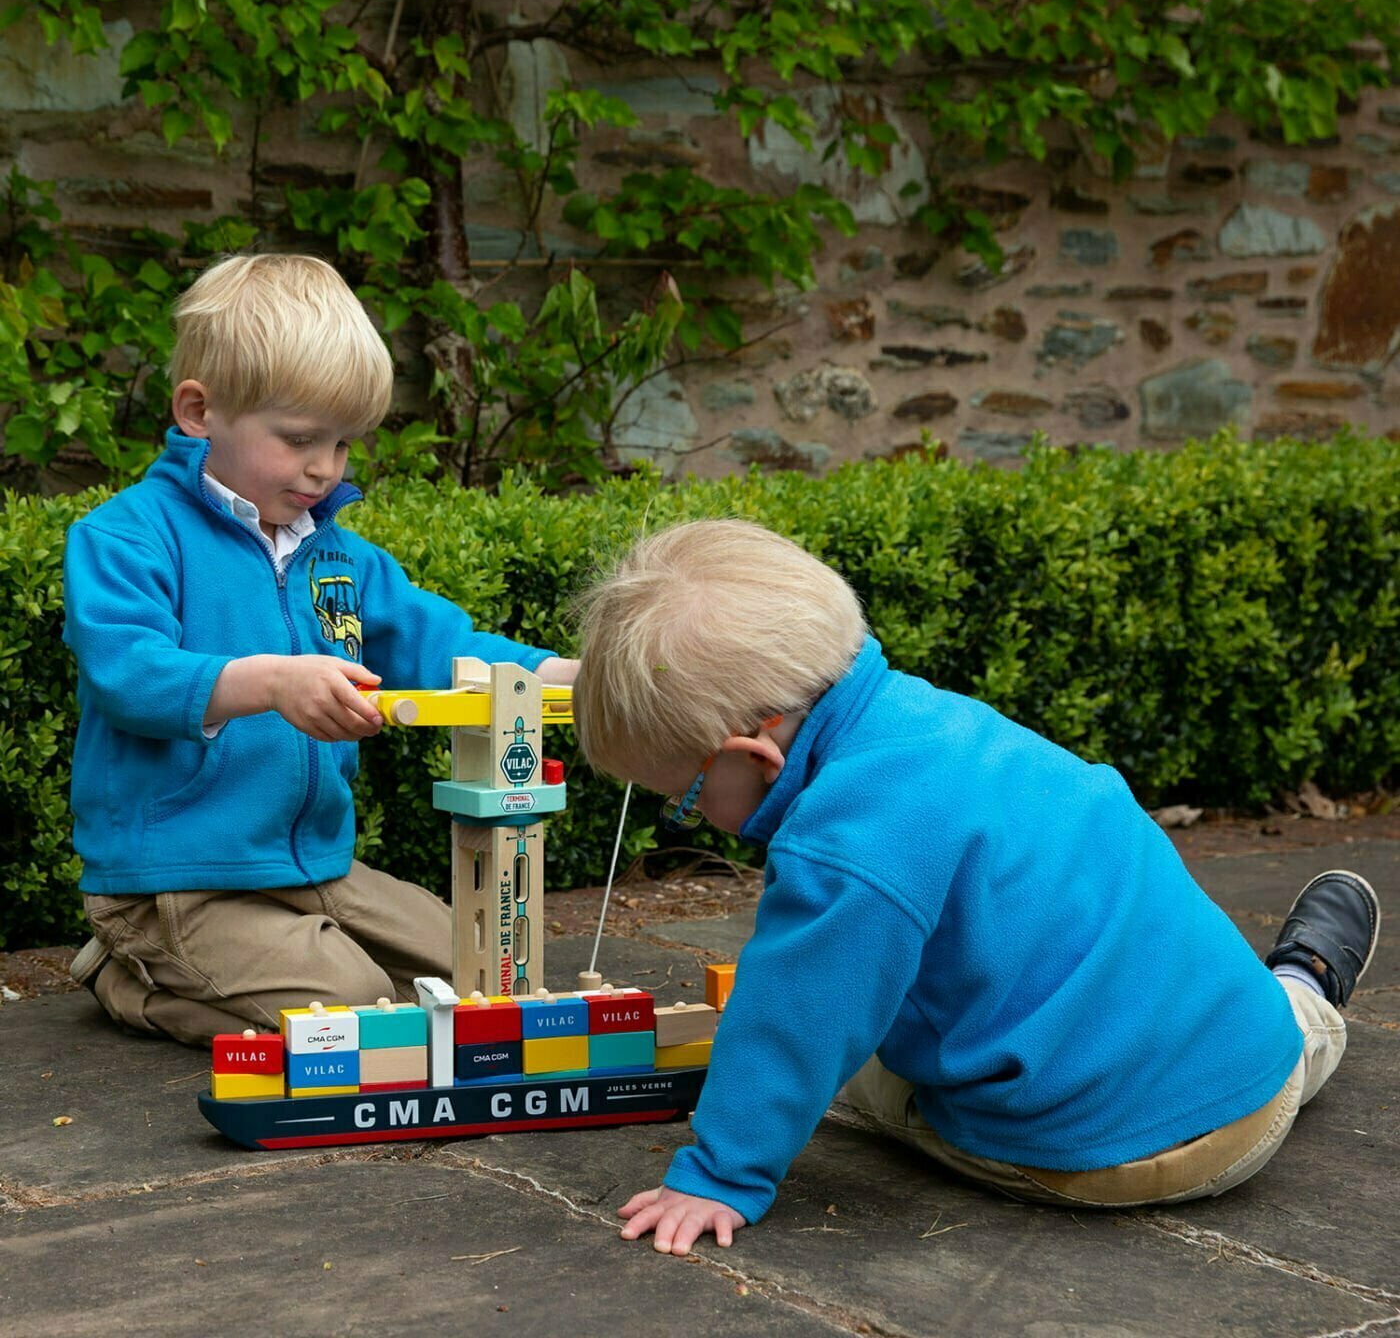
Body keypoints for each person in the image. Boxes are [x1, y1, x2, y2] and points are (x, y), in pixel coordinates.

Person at [570, 518, 1380, 1256]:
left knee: (862, 1074)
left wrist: (719, 1174)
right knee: (1282, 1019)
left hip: (1107, 1154)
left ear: (756, 755)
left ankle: (1294, 995)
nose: (695, 820)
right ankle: (1305, 980)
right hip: (1252, 1058)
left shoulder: (844, 845)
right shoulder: (938, 721)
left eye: (684, 800)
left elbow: (796, 1019)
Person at [63, 253, 577, 1046]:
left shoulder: (336, 553)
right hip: (177, 881)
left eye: (342, 444)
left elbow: (441, 641)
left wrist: (557, 674)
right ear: (198, 411)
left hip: (317, 867)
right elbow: (128, 673)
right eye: (300, 438)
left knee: (489, 967)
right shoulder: (125, 537)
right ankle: (126, 975)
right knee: (356, 1008)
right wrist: (271, 682)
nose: (324, 469)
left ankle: (279, 962)